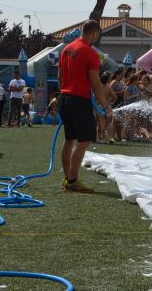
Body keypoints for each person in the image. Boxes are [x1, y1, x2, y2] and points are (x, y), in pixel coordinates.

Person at [58, 19, 107, 193]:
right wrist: (105, 105)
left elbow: (60, 76)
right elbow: (95, 83)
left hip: (64, 97)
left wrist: (63, 94)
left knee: (69, 138)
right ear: (94, 33)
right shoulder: (89, 53)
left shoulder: (66, 49)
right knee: (84, 140)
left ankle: (67, 178)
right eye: (96, 36)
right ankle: (72, 180)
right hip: (79, 100)